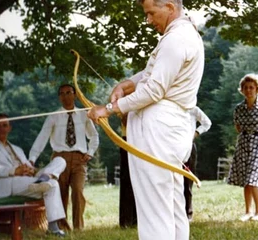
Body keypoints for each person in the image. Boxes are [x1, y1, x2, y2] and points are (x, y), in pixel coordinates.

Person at [87, 0, 204, 239]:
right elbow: (155, 74)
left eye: (151, 13)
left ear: (170, 7)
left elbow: (153, 90)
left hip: (158, 130)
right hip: (168, 128)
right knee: (170, 203)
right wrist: (128, 84)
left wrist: (108, 109)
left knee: (154, 207)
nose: (148, 20)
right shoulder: (182, 35)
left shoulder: (176, 38)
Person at [0, 113, 67, 237]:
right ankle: (54, 228)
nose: (1, 129)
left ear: (9, 128)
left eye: (4, 125)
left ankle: (43, 180)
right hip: (7, 183)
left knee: (60, 161)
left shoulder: (17, 149)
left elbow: (27, 167)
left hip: (26, 181)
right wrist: (14, 171)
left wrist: (31, 171)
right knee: (53, 184)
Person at [29, 84, 99, 231]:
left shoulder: (83, 114)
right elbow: (42, 137)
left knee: (78, 192)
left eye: (69, 93)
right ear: (59, 97)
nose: (66, 96)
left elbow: (94, 136)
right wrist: (32, 159)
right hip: (59, 159)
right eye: (62, 94)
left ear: (74, 95)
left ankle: (79, 227)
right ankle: (62, 227)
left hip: (79, 160)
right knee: (60, 193)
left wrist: (90, 152)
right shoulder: (53, 116)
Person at [227, 73, 258, 222]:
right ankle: (248, 211)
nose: (249, 90)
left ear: (257, 89)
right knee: (246, 177)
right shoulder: (238, 109)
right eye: (245, 88)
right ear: (242, 90)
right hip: (244, 143)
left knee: (253, 177)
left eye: (251, 87)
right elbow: (237, 126)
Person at [184, 106, 211, 221]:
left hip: (189, 147)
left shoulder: (193, 109)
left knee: (188, 181)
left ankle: (188, 213)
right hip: (172, 148)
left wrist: (195, 133)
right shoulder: (171, 107)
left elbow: (207, 122)